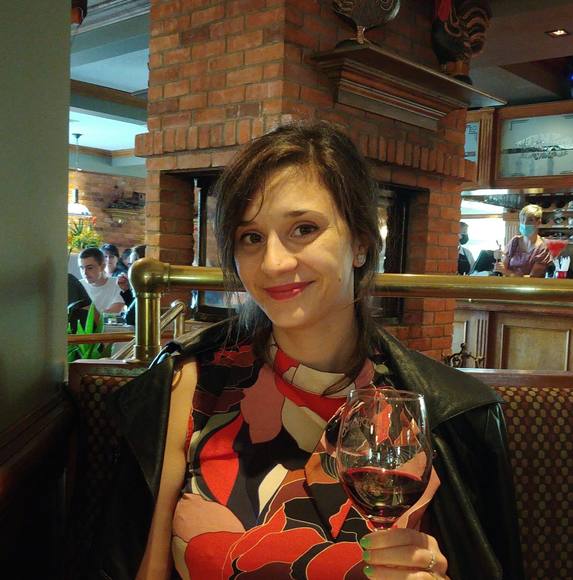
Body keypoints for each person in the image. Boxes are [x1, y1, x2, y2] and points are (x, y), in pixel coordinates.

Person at [88, 122, 523, 580]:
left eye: (304, 228)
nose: (274, 262)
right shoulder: (192, 386)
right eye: (251, 237)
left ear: (360, 242)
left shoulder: (446, 415)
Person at [498, 204, 552, 277]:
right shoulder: (515, 241)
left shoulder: (542, 248)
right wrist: (499, 266)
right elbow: (503, 268)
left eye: (530, 220)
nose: (525, 223)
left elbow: (533, 278)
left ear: (538, 222)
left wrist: (508, 273)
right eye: (522, 220)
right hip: (508, 283)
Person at [78, 247, 125, 314]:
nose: (84, 272)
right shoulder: (78, 286)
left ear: (102, 267)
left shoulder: (118, 284)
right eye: (82, 268)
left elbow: (110, 314)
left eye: (90, 268)